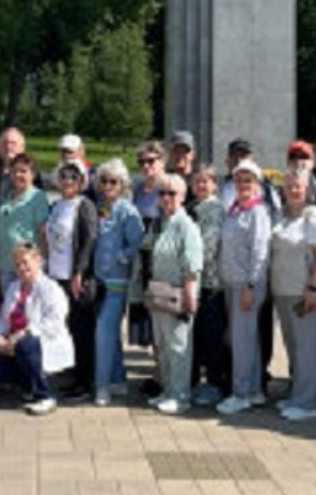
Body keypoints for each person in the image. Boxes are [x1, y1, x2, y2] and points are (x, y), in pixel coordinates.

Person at [267, 169, 316, 423]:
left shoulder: (315, 216)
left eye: (299, 186)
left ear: (308, 189)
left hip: (306, 293)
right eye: (289, 185)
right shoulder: (281, 215)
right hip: (283, 290)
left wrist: (313, 287)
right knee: (294, 346)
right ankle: (297, 394)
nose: (293, 190)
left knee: (308, 348)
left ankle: (306, 402)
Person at [140, 172, 204, 415]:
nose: (166, 197)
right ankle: (168, 390)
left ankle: (180, 395)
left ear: (183, 196)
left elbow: (192, 264)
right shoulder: (160, 222)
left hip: (179, 294)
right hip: (159, 294)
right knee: (163, 346)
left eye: (172, 193)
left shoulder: (186, 226)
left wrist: (190, 295)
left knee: (179, 347)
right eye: (162, 193)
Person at [216, 160, 272, 416]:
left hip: (246, 284)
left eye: (248, 180)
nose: (242, 184)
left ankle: (241, 394)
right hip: (232, 282)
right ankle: (254, 389)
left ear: (256, 183)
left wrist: (251, 284)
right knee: (248, 338)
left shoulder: (258, 213)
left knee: (242, 341)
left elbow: (260, 253)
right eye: (239, 180)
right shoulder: (235, 209)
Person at [0, 243, 74, 415]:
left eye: (25, 262)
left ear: (38, 261)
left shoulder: (50, 288)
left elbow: (55, 322)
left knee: (26, 345)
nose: (21, 268)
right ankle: (28, 388)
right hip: (15, 343)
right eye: (17, 264)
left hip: (42, 343)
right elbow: (4, 319)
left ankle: (46, 396)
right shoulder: (14, 287)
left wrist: (24, 333)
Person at [89, 158, 146, 406]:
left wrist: (121, 257)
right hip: (98, 280)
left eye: (113, 181)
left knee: (103, 332)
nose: (108, 186)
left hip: (117, 281)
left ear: (122, 184)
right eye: (104, 181)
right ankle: (117, 378)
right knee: (109, 333)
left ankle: (101, 387)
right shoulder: (99, 207)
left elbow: (139, 241)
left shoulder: (127, 210)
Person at [45, 160, 98, 399]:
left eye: (74, 177)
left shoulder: (84, 205)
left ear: (82, 181)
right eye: (64, 176)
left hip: (74, 278)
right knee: (64, 328)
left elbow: (89, 240)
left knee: (81, 329)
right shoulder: (56, 205)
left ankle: (85, 381)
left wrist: (79, 272)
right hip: (55, 276)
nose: (68, 181)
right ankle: (70, 374)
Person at [187, 163, 229, 407]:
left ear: (214, 184)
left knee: (212, 337)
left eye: (205, 181)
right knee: (196, 337)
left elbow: (208, 247)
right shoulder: (192, 207)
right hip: (193, 284)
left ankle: (214, 384)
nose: (201, 185)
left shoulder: (215, 209)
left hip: (210, 284)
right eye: (196, 181)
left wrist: (187, 267)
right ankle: (192, 383)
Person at [0, 152, 49, 290]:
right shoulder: (7, 197)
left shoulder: (37, 197)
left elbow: (44, 233)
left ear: (33, 174)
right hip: (6, 266)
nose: (18, 175)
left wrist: (40, 264)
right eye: (14, 171)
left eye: (23, 171)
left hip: (27, 266)